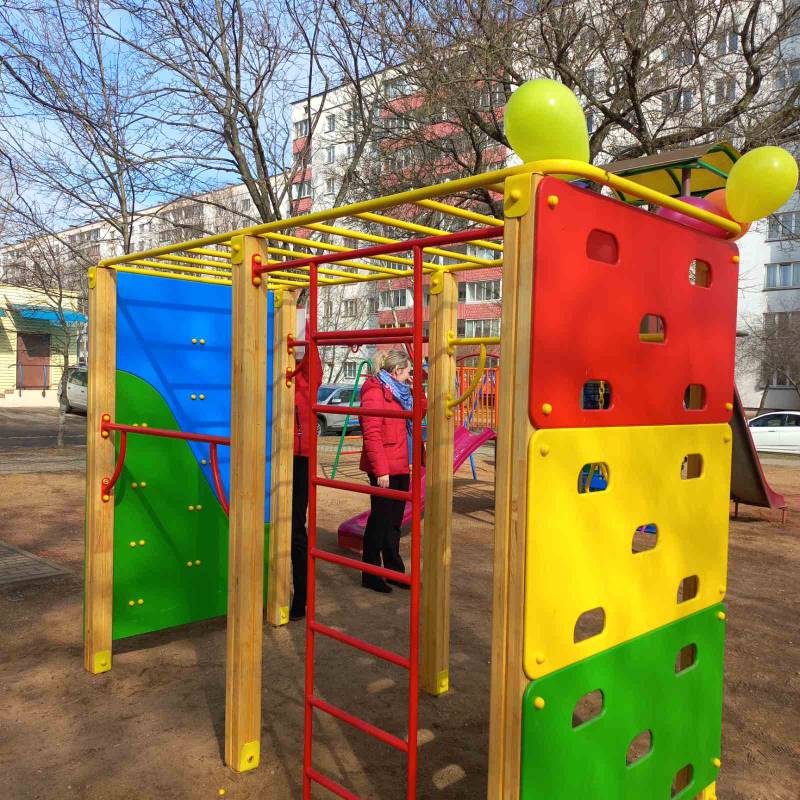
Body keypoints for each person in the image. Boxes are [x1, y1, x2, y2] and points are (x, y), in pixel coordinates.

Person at [359, 350, 426, 593]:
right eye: (408, 371)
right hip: (385, 467)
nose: (410, 375)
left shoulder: (403, 392)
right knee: (380, 520)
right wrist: (381, 471)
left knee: (395, 521)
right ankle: (371, 573)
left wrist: (417, 388)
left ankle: (393, 570)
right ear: (397, 371)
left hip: (401, 463)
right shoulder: (375, 391)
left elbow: (420, 413)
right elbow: (372, 433)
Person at [289, 342, 320, 621]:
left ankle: (301, 598)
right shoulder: (275, 372)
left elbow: (311, 352)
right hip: (274, 453)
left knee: (295, 527)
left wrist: (302, 328)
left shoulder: (305, 375)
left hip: (300, 456)